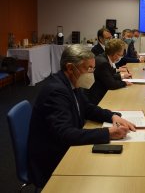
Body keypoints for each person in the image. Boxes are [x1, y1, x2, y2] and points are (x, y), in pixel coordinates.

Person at [28, 44, 136, 188]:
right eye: (88, 68)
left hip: (64, 146)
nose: (91, 73)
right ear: (71, 68)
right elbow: (65, 134)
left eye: (93, 68)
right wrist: (108, 133)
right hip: (52, 158)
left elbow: (88, 108)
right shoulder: (56, 91)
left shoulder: (72, 83)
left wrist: (112, 117)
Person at [88, 39, 132, 105]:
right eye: (120, 55)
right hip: (98, 98)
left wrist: (122, 76)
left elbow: (109, 75)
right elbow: (111, 84)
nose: (121, 57)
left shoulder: (104, 57)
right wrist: (124, 83)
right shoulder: (103, 63)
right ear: (114, 54)